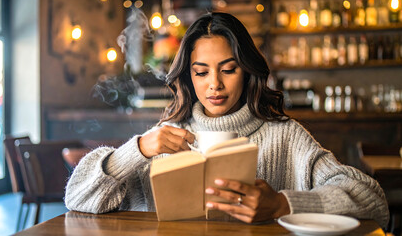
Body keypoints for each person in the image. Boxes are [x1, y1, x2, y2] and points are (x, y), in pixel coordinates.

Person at [65, 12, 389, 227]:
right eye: (201, 72)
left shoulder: (285, 135)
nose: (214, 85)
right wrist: (136, 149)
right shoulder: (165, 137)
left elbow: (373, 201)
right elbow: (77, 199)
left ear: (247, 71)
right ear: (188, 77)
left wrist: (282, 204)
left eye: (228, 70)